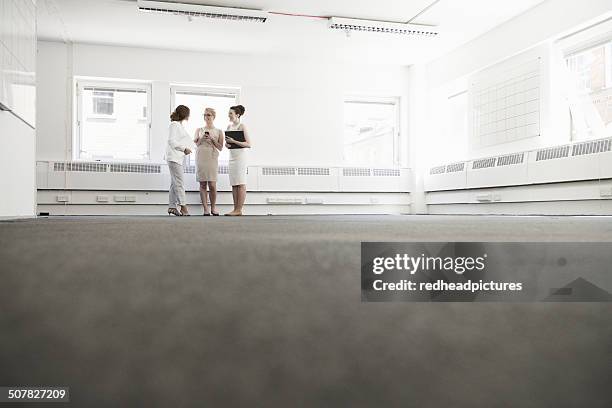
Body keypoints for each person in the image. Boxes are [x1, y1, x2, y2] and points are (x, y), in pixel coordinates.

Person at [194, 107, 224, 216]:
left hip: (212, 157)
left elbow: (220, 147)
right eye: (205, 115)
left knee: (212, 184)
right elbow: (196, 144)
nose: (206, 117)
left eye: (208, 115)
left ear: (213, 117)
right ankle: (205, 209)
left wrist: (212, 139)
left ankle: (213, 208)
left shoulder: (219, 131)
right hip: (201, 156)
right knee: (202, 183)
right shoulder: (199, 130)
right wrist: (202, 138)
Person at [166, 105, 193, 216]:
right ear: (185, 114)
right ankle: (183, 207)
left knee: (174, 183)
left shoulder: (179, 125)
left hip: (177, 158)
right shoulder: (174, 125)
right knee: (179, 183)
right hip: (174, 158)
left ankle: (172, 206)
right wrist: (184, 148)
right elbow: (171, 141)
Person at [225, 104, 251, 216]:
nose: (229, 115)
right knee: (234, 183)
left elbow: (248, 144)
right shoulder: (229, 127)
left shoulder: (242, 126)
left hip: (240, 158)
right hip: (232, 157)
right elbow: (227, 143)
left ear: (238, 115)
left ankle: (239, 209)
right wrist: (228, 144)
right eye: (229, 113)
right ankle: (235, 209)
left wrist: (234, 141)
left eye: (231, 113)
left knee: (240, 182)